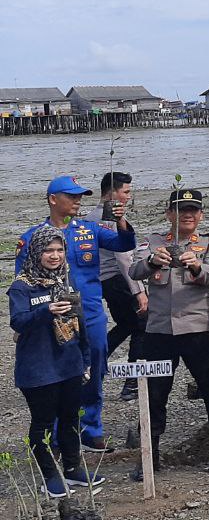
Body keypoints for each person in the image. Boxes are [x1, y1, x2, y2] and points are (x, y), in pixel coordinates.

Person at [16, 175, 136, 453]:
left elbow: (125, 244)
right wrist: (25, 321)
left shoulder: (89, 230)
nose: (78, 200)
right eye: (72, 196)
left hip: (91, 312)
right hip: (53, 314)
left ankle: (90, 429)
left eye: (80, 196)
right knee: (59, 373)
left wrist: (120, 219)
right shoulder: (33, 236)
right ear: (53, 199)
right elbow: (22, 281)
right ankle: (58, 435)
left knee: (94, 369)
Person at [127, 189, 209, 477]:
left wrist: (197, 265)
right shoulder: (153, 242)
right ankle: (150, 456)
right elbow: (134, 271)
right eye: (180, 209)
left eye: (193, 210)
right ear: (168, 213)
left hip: (197, 328)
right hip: (159, 331)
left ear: (200, 215)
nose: (187, 215)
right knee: (154, 393)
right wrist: (152, 261)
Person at [9, 226, 104, 498]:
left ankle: (73, 469)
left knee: (70, 418)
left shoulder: (67, 281)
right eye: (49, 250)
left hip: (70, 363)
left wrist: (86, 358)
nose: (55, 256)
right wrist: (45, 310)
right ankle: (49, 475)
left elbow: (80, 321)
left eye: (60, 250)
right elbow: (18, 321)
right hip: (38, 368)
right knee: (43, 422)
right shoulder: (22, 286)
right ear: (36, 252)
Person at [86, 171, 143, 401]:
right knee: (141, 325)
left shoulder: (89, 217)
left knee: (126, 324)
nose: (129, 197)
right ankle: (133, 383)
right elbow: (124, 258)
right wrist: (139, 291)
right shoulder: (107, 219)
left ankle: (93, 363)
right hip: (118, 279)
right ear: (112, 192)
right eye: (126, 192)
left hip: (104, 281)